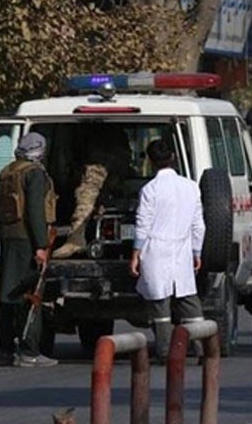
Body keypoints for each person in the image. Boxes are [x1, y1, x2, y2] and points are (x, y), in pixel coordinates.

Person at [130, 139, 205, 360]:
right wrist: (196, 252)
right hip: (182, 249)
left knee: (159, 303)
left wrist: (135, 253)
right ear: (173, 157)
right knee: (188, 300)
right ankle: (203, 349)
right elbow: (198, 224)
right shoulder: (191, 186)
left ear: (150, 162)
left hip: (155, 250)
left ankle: (164, 352)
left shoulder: (149, 189)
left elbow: (143, 223)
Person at [0, 132, 58, 367]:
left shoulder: (7, 172)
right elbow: (35, 211)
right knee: (31, 295)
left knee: (7, 294)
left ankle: (6, 349)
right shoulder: (34, 174)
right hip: (27, 241)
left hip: (9, 238)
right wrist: (41, 245)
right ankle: (30, 351)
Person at [52, 127, 132, 259]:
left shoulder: (98, 142)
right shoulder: (119, 139)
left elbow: (89, 188)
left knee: (87, 191)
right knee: (103, 192)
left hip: (102, 151)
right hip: (115, 153)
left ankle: (76, 239)